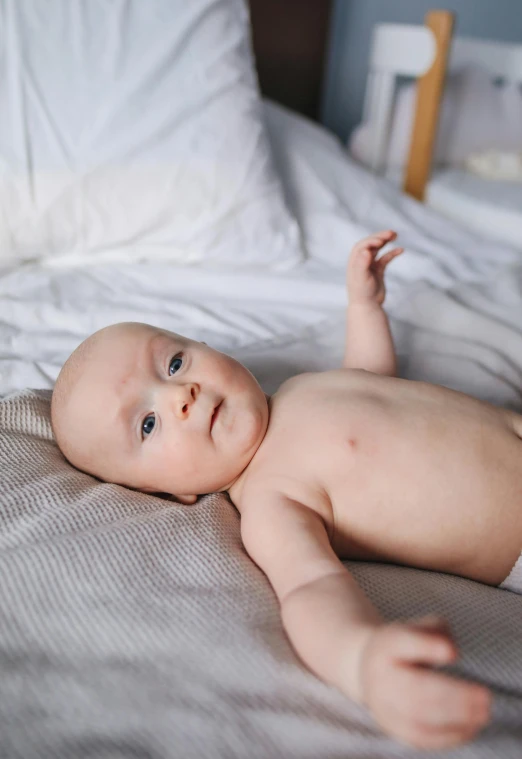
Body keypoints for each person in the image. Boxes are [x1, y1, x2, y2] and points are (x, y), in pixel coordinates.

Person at [51, 230, 522, 750]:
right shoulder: (271, 500)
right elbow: (311, 590)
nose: (178, 395)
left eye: (174, 363)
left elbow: (370, 382)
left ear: (207, 346)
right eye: (147, 425)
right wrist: (362, 661)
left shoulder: (299, 389)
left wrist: (363, 308)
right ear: (167, 493)